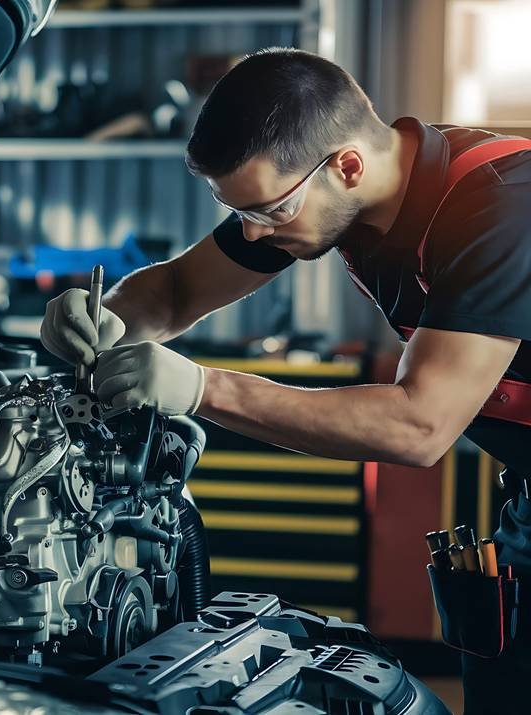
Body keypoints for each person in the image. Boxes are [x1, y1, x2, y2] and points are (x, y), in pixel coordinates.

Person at [39, 48, 531, 714]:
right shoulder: (328, 195)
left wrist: (202, 388)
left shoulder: (498, 208)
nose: (252, 232)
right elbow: (181, 288)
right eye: (240, 210)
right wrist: (104, 318)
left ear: (348, 166)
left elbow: (419, 425)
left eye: (269, 211)